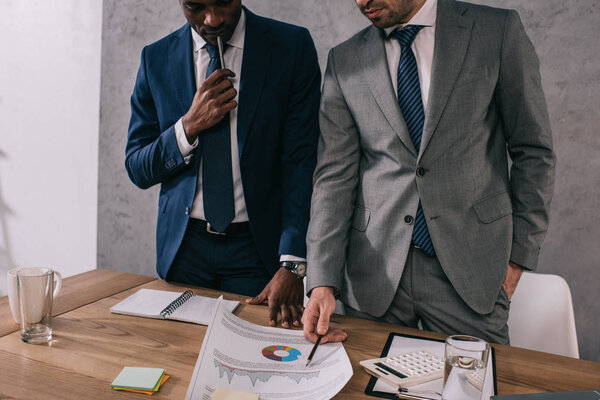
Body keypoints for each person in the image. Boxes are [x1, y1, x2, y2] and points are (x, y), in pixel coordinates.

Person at [302, 0, 555, 345]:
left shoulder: (496, 31)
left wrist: (518, 259)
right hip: (373, 275)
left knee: (472, 390)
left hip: (470, 270)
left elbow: (534, 151)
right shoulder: (345, 59)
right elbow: (334, 177)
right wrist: (322, 280)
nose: (362, 1)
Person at [125, 0, 320, 328]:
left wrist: (292, 263)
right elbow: (137, 167)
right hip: (184, 251)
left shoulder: (291, 47)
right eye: (195, 6)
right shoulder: (156, 58)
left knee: (256, 367)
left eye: (223, 2)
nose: (212, 19)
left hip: (259, 253)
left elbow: (301, 165)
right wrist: (187, 127)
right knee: (181, 363)